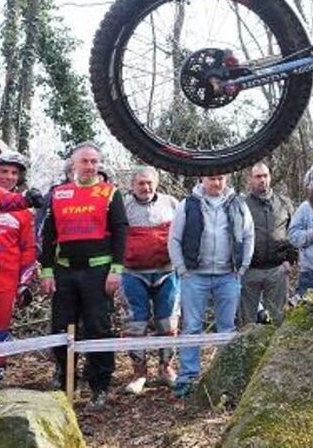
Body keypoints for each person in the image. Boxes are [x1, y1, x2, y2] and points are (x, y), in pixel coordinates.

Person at [40, 142, 128, 410]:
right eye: (85, 161)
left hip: (98, 272)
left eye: (94, 161)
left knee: (98, 328)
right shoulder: (58, 193)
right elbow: (48, 235)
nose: (90, 166)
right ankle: (66, 379)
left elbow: (121, 232)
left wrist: (116, 270)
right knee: (61, 327)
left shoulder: (110, 192)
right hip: (64, 271)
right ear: (74, 164)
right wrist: (46, 271)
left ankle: (99, 386)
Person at [168, 174, 254, 398]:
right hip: (195, 275)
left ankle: (226, 377)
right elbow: (174, 238)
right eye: (212, 179)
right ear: (202, 180)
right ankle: (187, 377)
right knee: (192, 327)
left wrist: (242, 267)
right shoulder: (188, 204)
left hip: (228, 275)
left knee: (227, 328)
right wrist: (182, 269)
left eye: (220, 178)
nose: (216, 183)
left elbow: (248, 236)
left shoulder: (238, 204)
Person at [121, 166, 180, 395]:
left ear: (156, 183)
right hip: (133, 272)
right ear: (132, 185)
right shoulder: (123, 206)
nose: (146, 187)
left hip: (167, 271)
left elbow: (182, 233)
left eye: (149, 183)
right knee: (135, 323)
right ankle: (139, 373)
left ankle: (166, 368)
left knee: (168, 322)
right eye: (141, 183)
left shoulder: (171, 203)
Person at [0, 152, 37, 392]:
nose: (8, 177)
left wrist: (25, 283)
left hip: (6, 280)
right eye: (4, 171)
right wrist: (23, 199)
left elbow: (28, 249)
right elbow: (2, 197)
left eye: (14, 173)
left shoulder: (24, 213)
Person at [239, 162, 295, 327]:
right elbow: (235, 236)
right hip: (250, 271)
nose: (262, 180)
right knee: (247, 323)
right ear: (250, 179)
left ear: (270, 177)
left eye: (265, 176)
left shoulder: (284, 203)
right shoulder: (242, 205)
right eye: (258, 176)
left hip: (277, 269)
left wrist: (290, 260)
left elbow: (293, 232)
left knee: (279, 320)